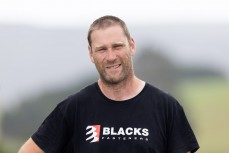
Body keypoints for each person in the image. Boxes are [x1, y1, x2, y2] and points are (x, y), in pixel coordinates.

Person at [18, 15, 199, 153]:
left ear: (132, 46)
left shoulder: (166, 108)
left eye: (117, 46)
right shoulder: (73, 109)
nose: (111, 56)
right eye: (102, 49)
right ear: (91, 54)